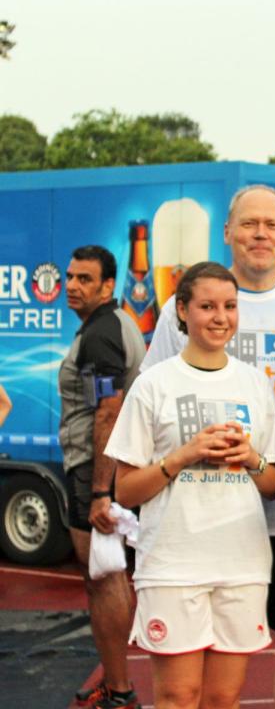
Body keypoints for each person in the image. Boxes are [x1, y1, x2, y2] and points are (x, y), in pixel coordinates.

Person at [141, 184, 275, 708]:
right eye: (249, 223)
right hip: (202, 516)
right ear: (227, 232)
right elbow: (147, 400)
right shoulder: (187, 309)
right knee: (193, 675)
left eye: (271, 225)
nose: (260, 234)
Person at [107, 262, 275, 709]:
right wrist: (182, 456)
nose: (220, 317)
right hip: (173, 563)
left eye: (230, 306)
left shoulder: (255, 385)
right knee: (179, 696)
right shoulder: (153, 385)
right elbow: (124, 492)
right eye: (206, 306)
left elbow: (273, 483)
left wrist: (251, 459)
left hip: (241, 561)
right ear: (182, 311)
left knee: (223, 697)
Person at [59, 245, 145, 709]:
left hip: (96, 472)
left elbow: (108, 411)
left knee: (105, 577)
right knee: (107, 575)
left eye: (85, 279)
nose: (73, 285)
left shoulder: (101, 334)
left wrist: (98, 492)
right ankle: (116, 683)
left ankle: (121, 690)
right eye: (71, 277)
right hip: (102, 469)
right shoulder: (110, 324)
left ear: (108, 286)